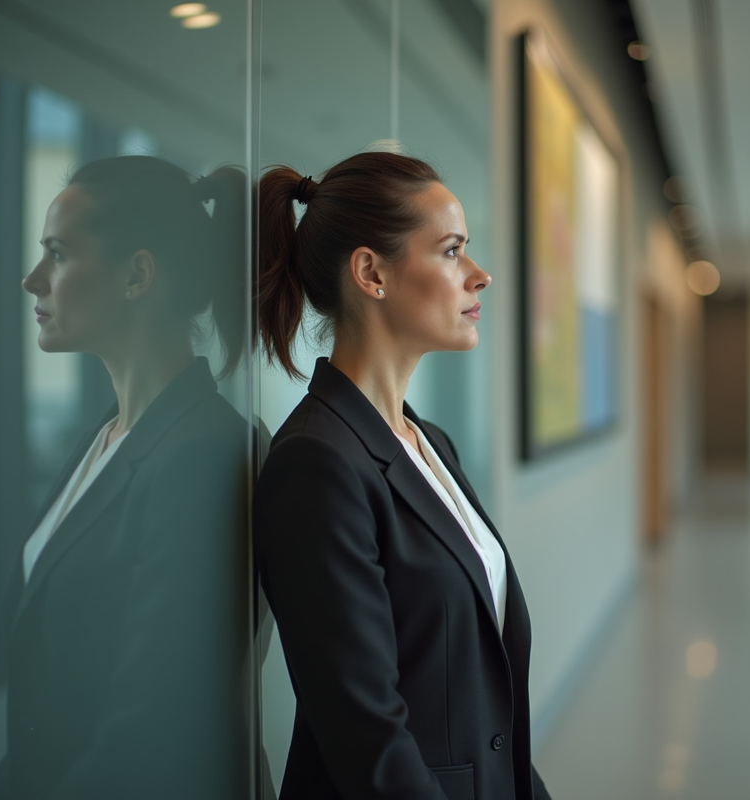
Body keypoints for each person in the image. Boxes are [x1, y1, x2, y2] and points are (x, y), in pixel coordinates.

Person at [252, 152, 552, 800]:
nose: (481, 275)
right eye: (451, 251)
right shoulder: (316, 462)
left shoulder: (427, 441)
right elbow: (369, 742)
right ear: (371, 273)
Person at [0, 155, 251, 800]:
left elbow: (153, 734)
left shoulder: (202, 454)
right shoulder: (110, 437)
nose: (32, 280)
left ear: (137, 274)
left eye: (57, 253)